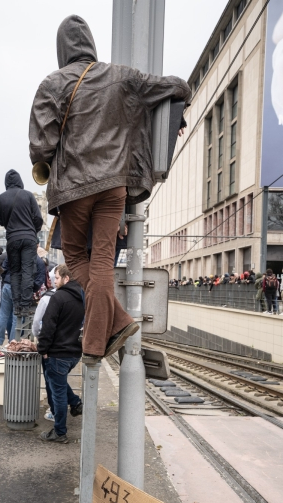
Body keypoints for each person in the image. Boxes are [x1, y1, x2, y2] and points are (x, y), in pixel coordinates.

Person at [29, 15, 191, 363]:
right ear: (90, 43)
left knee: (75, 256)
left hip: (75, 187)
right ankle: (111, 327)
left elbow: (42, 146)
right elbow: (178, 86)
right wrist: (177, 115)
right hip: (115, 185)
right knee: (102, 258)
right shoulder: (122, 76)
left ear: (62, 49)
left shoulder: (52, 83)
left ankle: (100, 338)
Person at [38, 265, 84, 443]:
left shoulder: (58, 297)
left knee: (57, 393)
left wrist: (43, 349)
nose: (53, 281)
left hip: (57, 352)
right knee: (58, 381)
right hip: (74, 353)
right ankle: (75, 403)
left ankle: (60, 432)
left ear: (66, 278)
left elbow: (48, 326)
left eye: (56, 278)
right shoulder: (83, 296)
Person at [0, 169, 43, 317]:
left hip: (12, 239)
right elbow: (38, 218)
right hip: (29, 238)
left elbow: (1, 221)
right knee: (27, 270)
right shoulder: (28, 195)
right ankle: (26, 305)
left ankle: (17, 306)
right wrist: (32, 230)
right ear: (20, 181)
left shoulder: (0, 199)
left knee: (15, 271)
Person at [32, 267, 57, 422]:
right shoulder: (74, 295)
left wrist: (38, 337)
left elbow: (36, 322)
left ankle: (54, 410)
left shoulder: (46, 298)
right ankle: (66, 404)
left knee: (49, 377)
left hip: (48, 343)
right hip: (67, 344)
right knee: (60, 378)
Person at [0, 254, 17, 346]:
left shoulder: (8, 254)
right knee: (16, 316)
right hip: (18, 286)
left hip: (7, 284)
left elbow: (3, 269)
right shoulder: (27, 254)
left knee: (3, 314)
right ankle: (12, 342)